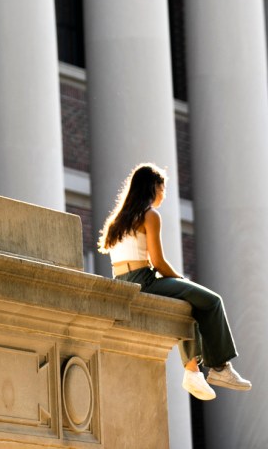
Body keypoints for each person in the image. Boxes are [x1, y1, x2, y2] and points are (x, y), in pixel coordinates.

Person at [98, 162, 251, 400]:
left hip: (123, 281)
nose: (164, 193)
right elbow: (158, 262)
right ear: (152, 187)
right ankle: (220, 367)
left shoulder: (118, 220)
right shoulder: (150, 216)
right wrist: (180, 279)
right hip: (143, 280)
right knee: (212, 301)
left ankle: (193, 371)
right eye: (163, 187)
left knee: (188, 302)